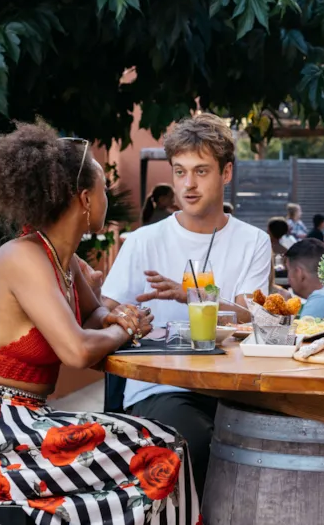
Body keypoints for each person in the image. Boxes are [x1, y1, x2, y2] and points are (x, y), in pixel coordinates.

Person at [0, 121, 198, 524]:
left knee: (160, 447)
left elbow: (93, 314)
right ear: (86, 199)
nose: (108, 197)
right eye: (105, 188)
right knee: (161, 448)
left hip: (18, 422)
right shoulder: (22, 257)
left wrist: (115, 316)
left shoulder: (60, 260)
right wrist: (126, 327)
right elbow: (77, 350)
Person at [101, 113, 270, 499]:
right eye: (179, 172)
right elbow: (105, 309)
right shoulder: (144, 241)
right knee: (195, 442)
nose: (188, 185)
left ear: (226, 173)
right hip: (161, 387)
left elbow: (250, 315)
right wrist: (123, 317)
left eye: (201, 171)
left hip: (237, 386)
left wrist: (190, 294)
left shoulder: (253, 241)